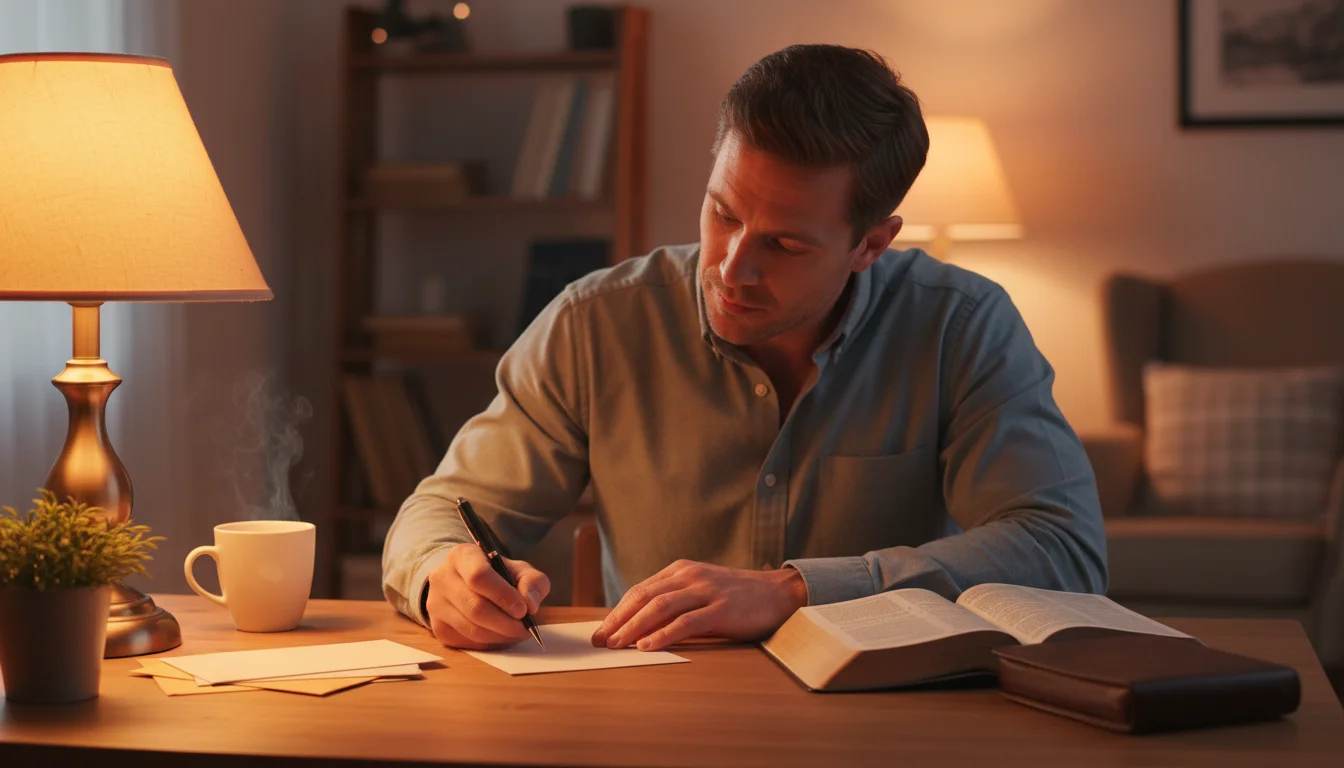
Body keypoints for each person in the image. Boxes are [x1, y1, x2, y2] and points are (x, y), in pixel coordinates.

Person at [382, 44, 1107, 653]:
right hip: (657, 716)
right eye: (722, 213)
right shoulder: (596, 323)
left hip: (888, 725)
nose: (731, 268)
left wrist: (795, 589)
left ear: (871, 244)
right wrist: (441, 572)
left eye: (785, 244)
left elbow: (1063, 550)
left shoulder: (961, 325)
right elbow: (440, 510)